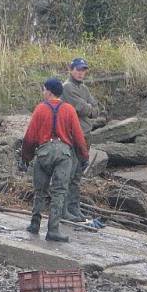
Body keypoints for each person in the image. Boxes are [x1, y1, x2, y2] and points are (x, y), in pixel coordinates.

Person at [21, 78, 90, 242]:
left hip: (44, 152)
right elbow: (79, 137)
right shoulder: (69, 109)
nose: (43, 92)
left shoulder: (40, 108)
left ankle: (34, 224)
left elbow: (30, 136)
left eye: (44, 89)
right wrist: (84, 156)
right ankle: (53, 230)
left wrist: (26, 157)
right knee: (59, 191)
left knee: (40, 191)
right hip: (64, 154)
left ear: (49, 91)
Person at [61, 57, 99, 222]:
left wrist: (89, 108)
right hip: (72, 136)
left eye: (83, 70)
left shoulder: (84, 88)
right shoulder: (67, 87)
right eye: (78, 69)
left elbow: (96, 109)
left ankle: (74, 208)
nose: (81, 73)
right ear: (71, 69)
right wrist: (88, 108)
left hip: (86, 135)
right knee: (68, 174)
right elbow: (83, 108)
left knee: (77, 175)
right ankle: (63, 210)